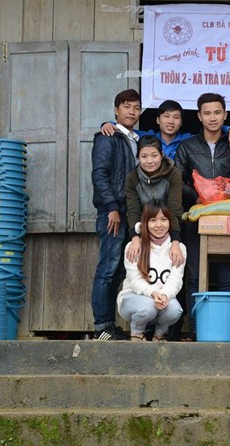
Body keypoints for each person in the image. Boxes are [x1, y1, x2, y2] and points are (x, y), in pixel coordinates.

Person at [174, 92, 230, 337]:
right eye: (207, 113)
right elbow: (177, 180)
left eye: (217, 112)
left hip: (227, 219)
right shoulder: (187, 146)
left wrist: (224, 195)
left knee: (228, 276)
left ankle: (229, 332)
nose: (212, 117)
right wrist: (198, 197)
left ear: (225, 115)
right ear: (199, 116)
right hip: (197, 218)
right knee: (195, 276)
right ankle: (197, 331)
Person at [90, 88, 141, 341]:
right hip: (113, 213)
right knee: (107, 269)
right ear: (116, 110)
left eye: (136, 108)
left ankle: (110, 325)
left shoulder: (137, 139)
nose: (132, 112)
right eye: (126, 107)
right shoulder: (107, 137)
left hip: (129, 214)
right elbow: (99, 174)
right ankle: (102, 326)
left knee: (120, 271)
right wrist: (111, 207)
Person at [117, 200, 185, 341]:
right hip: (133, 299)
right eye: (153, 220)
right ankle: (137, 333)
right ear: (145, 223)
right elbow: (135, 280)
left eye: (163, 219)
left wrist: (164, 295)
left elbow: (176, 279)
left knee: (175, 310)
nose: (159, 225)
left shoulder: (178, 249)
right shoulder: (134, 247)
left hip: (162, 300)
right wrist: (153, 293)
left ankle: (159, 335)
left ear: (170, 222)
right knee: (148, 307)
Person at [100, 99, 230, 160]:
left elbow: (210, 130)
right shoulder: (147, 137)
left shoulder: (188, 140)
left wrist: (229, 129)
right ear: (158, 120)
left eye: (176, 117)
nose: (171, 121)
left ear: (181, 123)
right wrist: (108, 123)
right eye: (166, 116)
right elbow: (125, 130)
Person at [124, 135, 184, 266]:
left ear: (161, 155)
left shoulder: (173, 174)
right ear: (138, 158)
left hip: (168, 226)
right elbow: (133, 209)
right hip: (144, 227)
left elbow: (174, 209)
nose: (149, 161)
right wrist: (135, 237)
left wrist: (175, 241)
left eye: (154, 156)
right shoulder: (132, 178)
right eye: (144, 156)